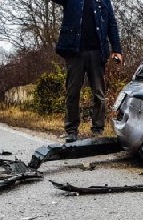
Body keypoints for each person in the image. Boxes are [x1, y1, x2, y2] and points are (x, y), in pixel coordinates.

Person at [52, 0, 122, 143]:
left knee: (99, 93)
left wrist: (117, 49)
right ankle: (71, 131)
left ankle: (98, 129)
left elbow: (112, 24)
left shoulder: (104, 1)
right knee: (72, 92)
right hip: (74, 52)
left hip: (97, 52)